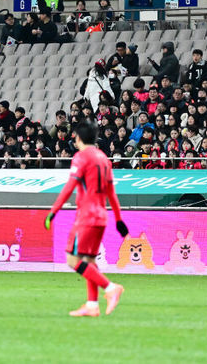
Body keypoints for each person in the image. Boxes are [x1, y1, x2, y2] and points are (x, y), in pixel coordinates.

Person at [44, 120, 128, 317]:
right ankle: (92, 305)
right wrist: (119, 219)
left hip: (86, 216)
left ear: (77, 138)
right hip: (101, 216)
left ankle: (110, 288)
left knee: (72, 260)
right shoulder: (103, 158)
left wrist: (53, 211)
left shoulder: (81, 157)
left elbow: (69, 187)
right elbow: (111, 193)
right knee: (89, 260)